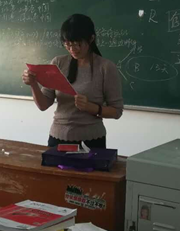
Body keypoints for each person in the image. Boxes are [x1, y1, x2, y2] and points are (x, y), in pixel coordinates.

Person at [22, 14, 123, 148]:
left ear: (91, 38)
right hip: (58, 138)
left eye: (77, 44)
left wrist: (91, 107)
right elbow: (43, 105)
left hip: (91, 141)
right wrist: (33, 84)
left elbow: (116, 111)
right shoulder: (58, 63)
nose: (72, 49)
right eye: (67, 44)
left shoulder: (105, 67)